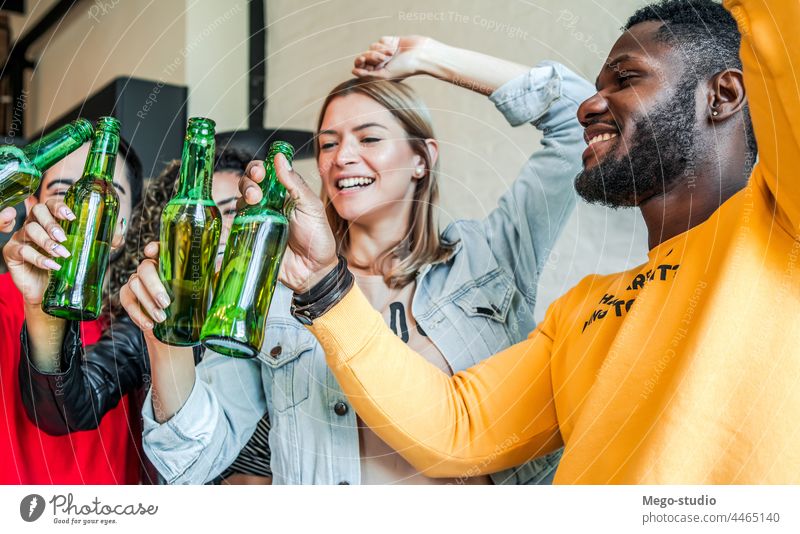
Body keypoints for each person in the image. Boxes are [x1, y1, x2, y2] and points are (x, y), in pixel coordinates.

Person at [243, 0, 800, 484]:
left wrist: (434, 55)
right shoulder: (582, 314)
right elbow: (455, 429)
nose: (589, 104)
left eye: (625, 79)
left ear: (724, 93)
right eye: (328, 143)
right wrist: (322, 283)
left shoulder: (784, 226)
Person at [126, 38, 592, 484]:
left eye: (369, 138)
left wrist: (433, 58)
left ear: (422, 159)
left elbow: (581, 116)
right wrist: (164, 337)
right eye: (328, 144)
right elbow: (189, 459)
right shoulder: (278, 294)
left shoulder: (492, 256)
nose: (343, 157)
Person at [9, 146, 269, 484]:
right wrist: (43, 309)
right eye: (196, 219)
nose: (215, 232)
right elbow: (67, 408)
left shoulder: (288, 315)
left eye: (231, 212)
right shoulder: (143, 325)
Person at [0, 137, 142, 484]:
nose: (83, 210)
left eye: (105, 195)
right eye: (65, 192)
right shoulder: (3, 303)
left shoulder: (138, 322)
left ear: (124, 225)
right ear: (32, 204)